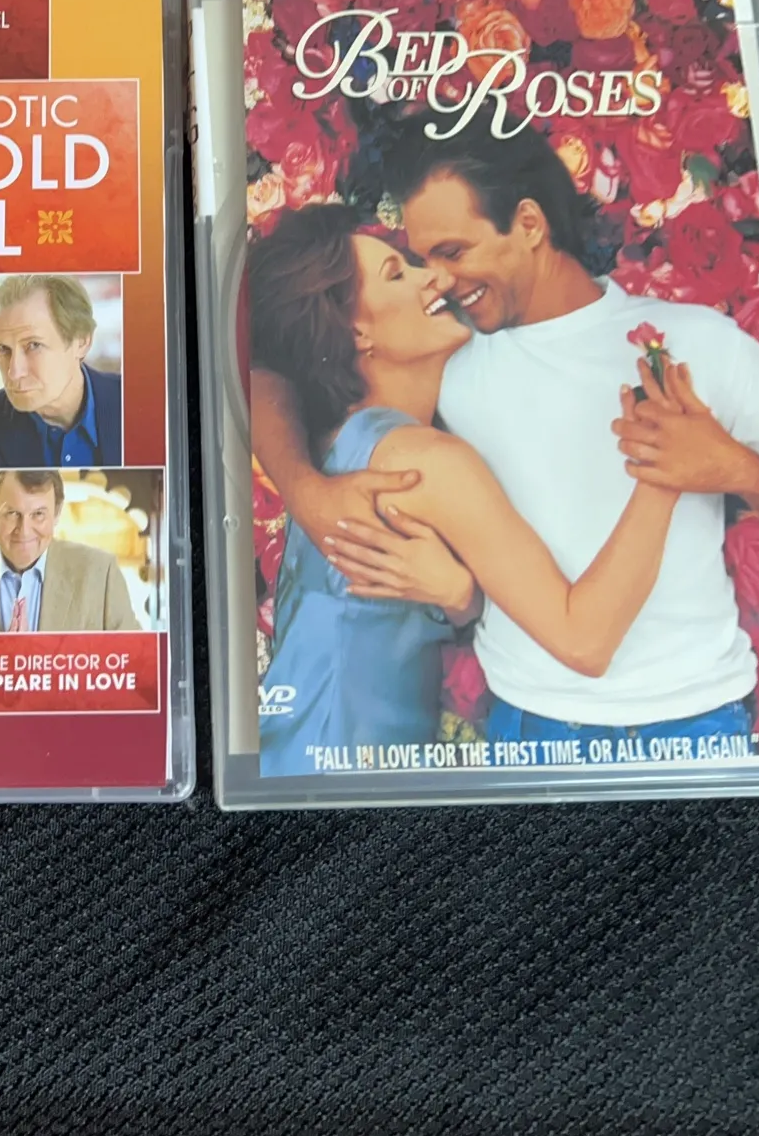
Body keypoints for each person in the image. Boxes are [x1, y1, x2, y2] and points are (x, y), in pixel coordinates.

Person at [253, 115, 759, 761]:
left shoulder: (697, 342)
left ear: (528, 223)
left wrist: (733, 469)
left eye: (452, 252)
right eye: (420, 260)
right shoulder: (447, 362)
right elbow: (265, 374)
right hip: (526, 727)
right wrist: (305, 491)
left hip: (692, 720)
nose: (439, 279)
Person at [247, 204, 691, 771]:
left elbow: (261, 379)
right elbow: (585, 641)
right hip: (339, 773)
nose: (433, 276)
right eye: (397, 274)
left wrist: (463, 599)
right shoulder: (421, 463)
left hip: (299, 757)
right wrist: (666, 469)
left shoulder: (332, 437)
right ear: (356, 332)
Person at [0, 275, 122, 467]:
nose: (14, 372)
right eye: (3, 349)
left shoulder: (138, 407)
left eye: (34, 345)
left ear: (81, 342)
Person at [0, 469, 140, 633]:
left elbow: (136, 659)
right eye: (12, 513)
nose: (24, 531)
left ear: (56, 515)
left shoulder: (100, 574)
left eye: (38, 514)